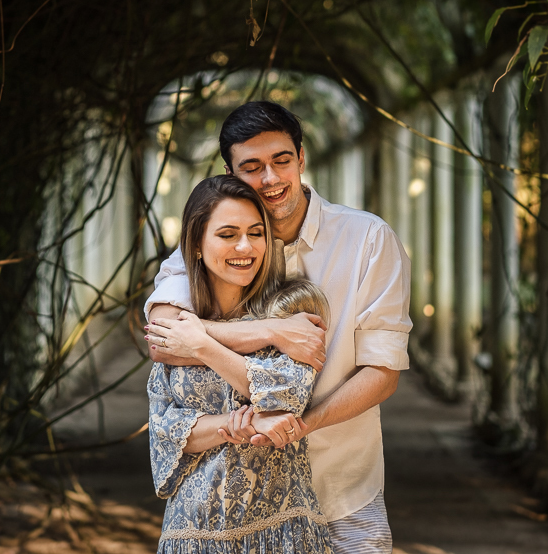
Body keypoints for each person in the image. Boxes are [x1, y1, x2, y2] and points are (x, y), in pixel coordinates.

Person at [145, 101, 412, 554]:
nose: (269, 179)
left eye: (281, 161)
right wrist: (273, 331)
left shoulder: (368, 240)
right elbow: (166, 337)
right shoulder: (217, 240)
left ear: (301, 159)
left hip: (343, 486)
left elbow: (382, 371)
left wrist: (297, 425)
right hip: (247, 510)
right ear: (230, 172)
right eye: (251, 167)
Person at [147, 174, 334, 554]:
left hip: (280, 531)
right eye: (227, 234)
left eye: (255, 232)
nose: (245, 246)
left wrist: (202, 345)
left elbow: (288, 399)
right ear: (197, 245)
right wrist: (239, 426)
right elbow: (166, 431)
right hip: (193, 531)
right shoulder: (176, 319)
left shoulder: (292, 309)